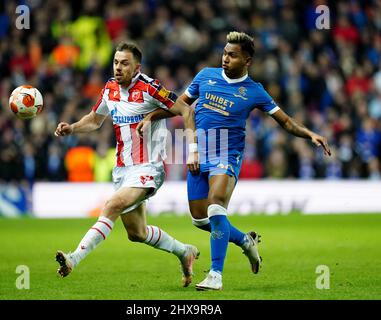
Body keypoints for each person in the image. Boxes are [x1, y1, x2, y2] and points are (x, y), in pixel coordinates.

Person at [137, 31, 331, 290]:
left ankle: (215, 274)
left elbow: (284, 121)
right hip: (198, 151)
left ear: (247, 61)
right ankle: (244, 241)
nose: (225, 58)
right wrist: (152, 116)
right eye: (224, 53)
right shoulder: (205, 76)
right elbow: (180, 105)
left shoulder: (255, 91)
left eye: (232, 55)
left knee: (216, 204)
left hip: (227, 154)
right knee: (199, 218)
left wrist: (310, 134)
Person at [54, 41, 200, 287]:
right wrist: (72, 128)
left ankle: (73, 258)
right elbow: (95, 119)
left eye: (124, 63)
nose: (118, 67)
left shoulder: (150, 88)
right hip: (123, 169)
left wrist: (192, 151)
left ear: (136, 67)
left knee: (112, 205)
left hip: (149, 167)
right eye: (115, 62)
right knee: (137, 233)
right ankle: (185, 252)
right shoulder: (109, 88)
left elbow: (186, 111)